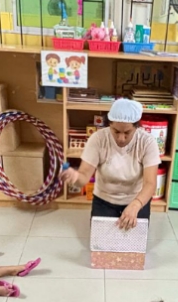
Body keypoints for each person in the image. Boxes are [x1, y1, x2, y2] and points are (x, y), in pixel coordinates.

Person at [62, 97, 160, 230]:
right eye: (116, 131)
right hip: (104, 200)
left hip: (137, 199)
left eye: (127, 132)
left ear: (136, 127)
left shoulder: (147, 142)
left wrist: (136, 204)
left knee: (133, 241)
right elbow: (84, 176)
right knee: (101, 240)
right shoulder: (98, 139)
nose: (121, 138)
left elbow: (150, 183)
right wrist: (75, 177)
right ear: (110, 125)